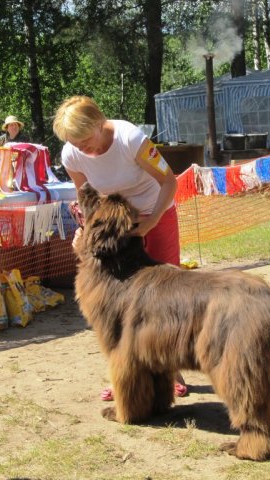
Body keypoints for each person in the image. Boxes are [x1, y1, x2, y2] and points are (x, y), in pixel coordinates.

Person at [52, 95, 188, 400]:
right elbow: (85, 196)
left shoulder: (130, 139)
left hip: (157, 213)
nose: (82, 149)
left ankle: (172, 369)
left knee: (165, 295)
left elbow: (169, 182)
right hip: (117, 225)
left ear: (100, 123)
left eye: (86, 140)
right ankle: (124, 374)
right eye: (75, 143)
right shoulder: (72, 154)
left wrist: (151, 222)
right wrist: (86, 234)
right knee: (119, 301)